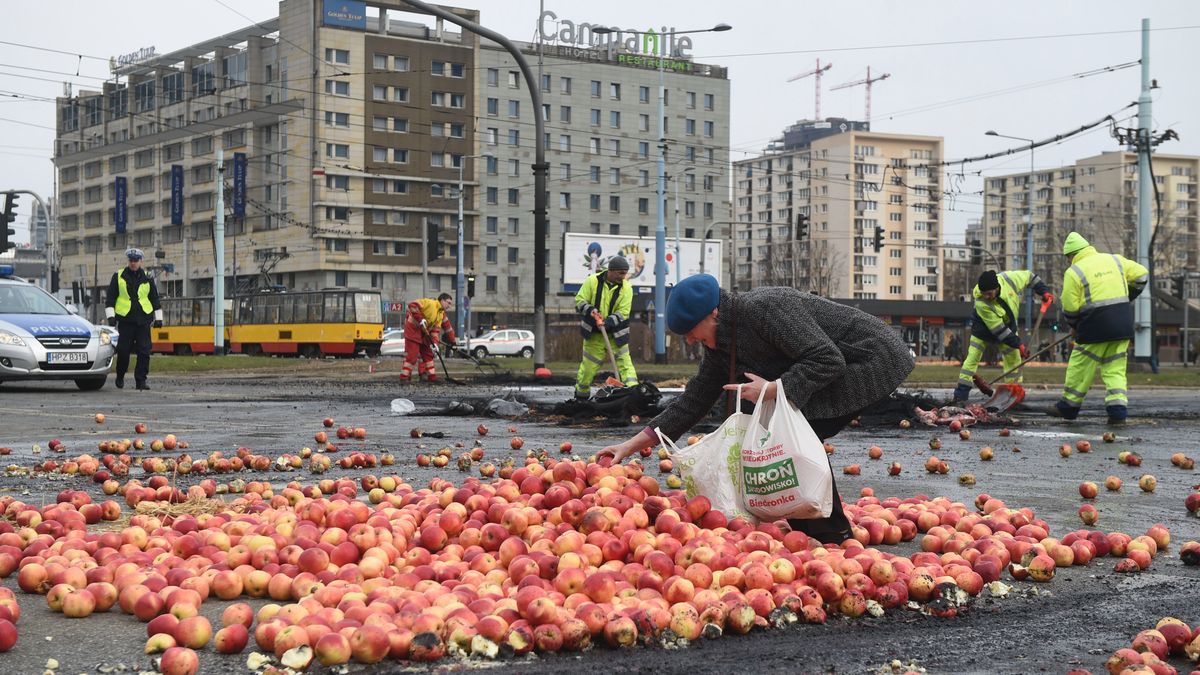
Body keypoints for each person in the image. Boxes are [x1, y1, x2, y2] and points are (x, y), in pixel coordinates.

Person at [599, 274, 915, 543]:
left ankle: (831, 537)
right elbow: (692, 402)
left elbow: (827, 359)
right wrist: (630, 445)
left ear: (713, 313)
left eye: (692, 331)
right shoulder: (721, 345)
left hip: (870, 358)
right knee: (779, 431)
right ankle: (810, 530)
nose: (691, 340)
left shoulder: (765, 309)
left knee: (791, 434)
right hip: (835, 363)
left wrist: (773, 389)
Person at [1047, 232, 1148, 424]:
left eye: (1068, 257)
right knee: (1115, 369)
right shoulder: (1115, 260)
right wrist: (1127, 298)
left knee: (1080, 365)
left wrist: (1075, 325)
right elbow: (1142, 275)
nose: (1068, 261)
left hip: (1094, 327)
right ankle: (1117, 412)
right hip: (1121, 325)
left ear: (1072, 255)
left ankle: (1068, 407)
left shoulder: (1074, 271)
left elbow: (1069, 306)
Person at [951, 269, 1053, 405]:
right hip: (983, 330)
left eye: (989, 293)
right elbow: (999, 330)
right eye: (984, 293)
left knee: (1014, 360)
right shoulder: (981, 302)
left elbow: (1030, 277)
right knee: (972, 358)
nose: (986, 296)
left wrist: (1043, 291)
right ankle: (960, 395)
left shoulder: (1009, 280)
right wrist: (1019, 344)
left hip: (1008, 327)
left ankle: (1013, 393)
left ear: (997, 287)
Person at [573, 255, 638, 400]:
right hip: (594, 335)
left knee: (626, 367)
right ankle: (581, 397)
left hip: (617, 335)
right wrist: (591, 311)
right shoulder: (592, 281)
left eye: (625, 273)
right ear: (611, 271)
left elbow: (623, 312)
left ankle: (634, 395)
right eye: (620, 273)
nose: (623, 277)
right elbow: (580, 300)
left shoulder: (627, 288)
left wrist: (607, 322)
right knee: (588, 369)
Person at [104, 248, 162, 390]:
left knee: (144, 351)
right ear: (128, 261)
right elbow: (110, 299)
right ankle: (120, 375)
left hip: (144, 320)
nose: (133, 263)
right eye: (131, 260)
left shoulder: (148, 277)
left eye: (136, 260)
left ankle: (141, 381)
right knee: (123, 351)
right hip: (126, 321)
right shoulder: (118, 276)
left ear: (141, 262)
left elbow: (154, 299)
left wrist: (159, 318)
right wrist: (111, 316)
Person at [400, 293, 456, 382]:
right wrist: (420, 319)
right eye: (448, 303)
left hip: (424, 332)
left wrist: (434, 343)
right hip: (413, 330)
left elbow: (435, 331)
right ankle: (404, 377)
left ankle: (432, 377)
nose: (449, 306)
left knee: (428, 355)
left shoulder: (440, 314)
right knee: (412, 356)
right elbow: (412, 305)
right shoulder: (430, 303)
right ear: (442, 300)